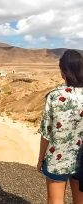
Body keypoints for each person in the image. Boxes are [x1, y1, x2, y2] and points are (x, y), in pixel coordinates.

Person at [37, 49, 83, 204]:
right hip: (82, 159)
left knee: (55, 201)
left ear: (63, 72)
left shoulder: (54, 96)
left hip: (58, 158)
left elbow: (46, 133)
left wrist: (40, 159)